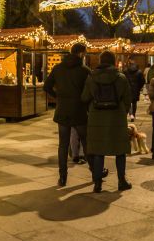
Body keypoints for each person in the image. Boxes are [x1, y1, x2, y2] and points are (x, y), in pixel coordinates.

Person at [44, 43, 98, 187]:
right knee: (86, 142)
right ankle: (94, 172)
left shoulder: (58, 68)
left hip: (62, 111)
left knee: (63, 145)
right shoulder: (85, 70)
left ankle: (63, 178)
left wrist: (58, 97)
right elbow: (91, 91)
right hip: (79, 110)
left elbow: (46, 86)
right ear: (81, 54)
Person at [81, 51, 132, 193]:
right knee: (120, 150)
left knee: (98, 151)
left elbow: (84, 97)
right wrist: (123, 111)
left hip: (97, 117)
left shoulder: (91, 78)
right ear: (113, 61)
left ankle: (97, 184)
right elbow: (128, 99)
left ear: (100, 61)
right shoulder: (121, 77)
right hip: (117, 117)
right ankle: (122, 181)